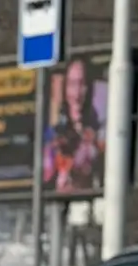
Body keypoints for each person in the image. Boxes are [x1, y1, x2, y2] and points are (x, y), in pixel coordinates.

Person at [44, 56, 106, 199]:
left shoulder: (101, 130)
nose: (77, 93)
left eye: (81, 84)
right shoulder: (54, 133)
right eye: (72, 84)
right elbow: (45, 177)